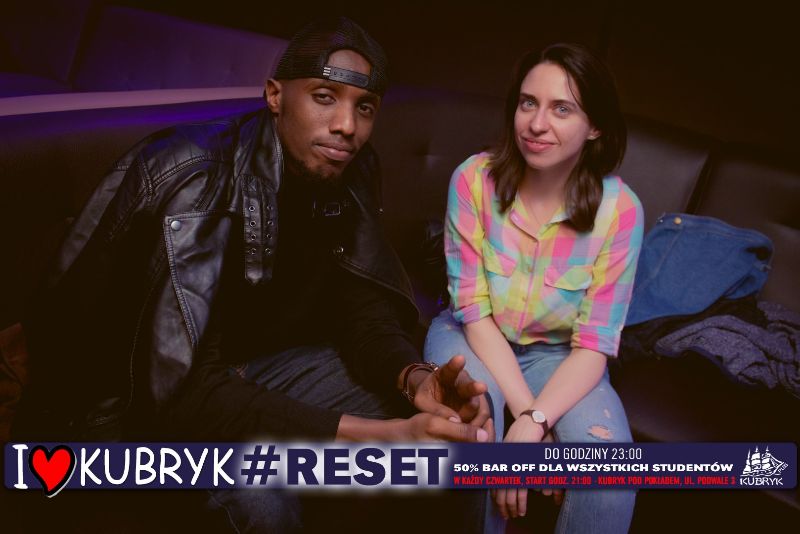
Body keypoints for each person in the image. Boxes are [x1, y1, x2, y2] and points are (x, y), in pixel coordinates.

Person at [17, 16, 492, 531]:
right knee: (262, 497)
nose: (347, 126)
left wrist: (414, 378)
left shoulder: (351, 168)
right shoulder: (197, 178)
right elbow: (181, 390)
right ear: (274, 95)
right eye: (325, 97)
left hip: (262, 368)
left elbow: (363, 312)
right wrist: (378, 436)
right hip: (133, 405)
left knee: (452, 442)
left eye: (365, 107)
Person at [424, 43, 644, 533]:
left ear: (596, 126)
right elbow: (474, 314)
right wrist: (530, 419)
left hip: (560, 356)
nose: (536, 124)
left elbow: (594, 346)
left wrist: (535, 421)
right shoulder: (473, 180)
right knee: (479, 440)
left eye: (561, 109)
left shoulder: (621, 211)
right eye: (528, 103)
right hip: (470, 336)